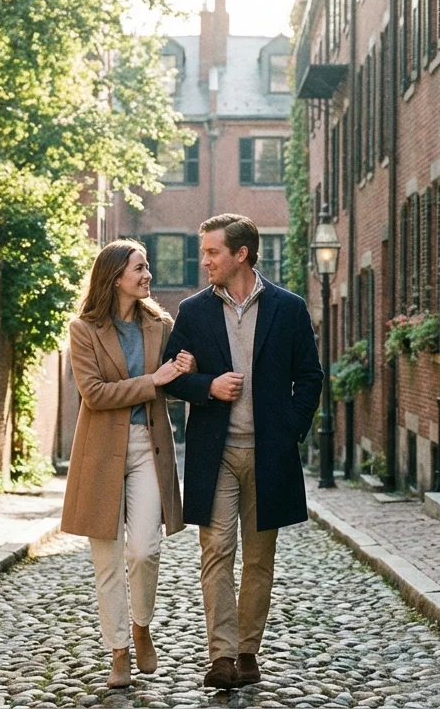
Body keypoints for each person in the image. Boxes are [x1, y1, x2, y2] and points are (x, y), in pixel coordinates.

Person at [162, 214, 323, 690]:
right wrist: (208, 385)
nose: (204, 260)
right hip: (216, 454)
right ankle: (222, 656)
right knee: (216, 551)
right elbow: (173, 377)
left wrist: (290, 429)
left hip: (269, 454)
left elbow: (310, 377)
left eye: (212, 252)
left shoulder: (288, 309)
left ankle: (248, 651)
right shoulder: (193, 311)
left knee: (258, 558)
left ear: (241, 255)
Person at [62, 239, 195, 688]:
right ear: (116, 275)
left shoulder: (160, 323)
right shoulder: (83, 330)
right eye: (140, 268)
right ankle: (118, 651)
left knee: (143, 549)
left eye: (148, 267)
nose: (148, 275)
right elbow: (94, 393)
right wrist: (151, 381)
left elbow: (172, 385)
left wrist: (183, 370)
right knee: (106, 560)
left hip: (148, 449)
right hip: (100, 451)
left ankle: (141, 626)